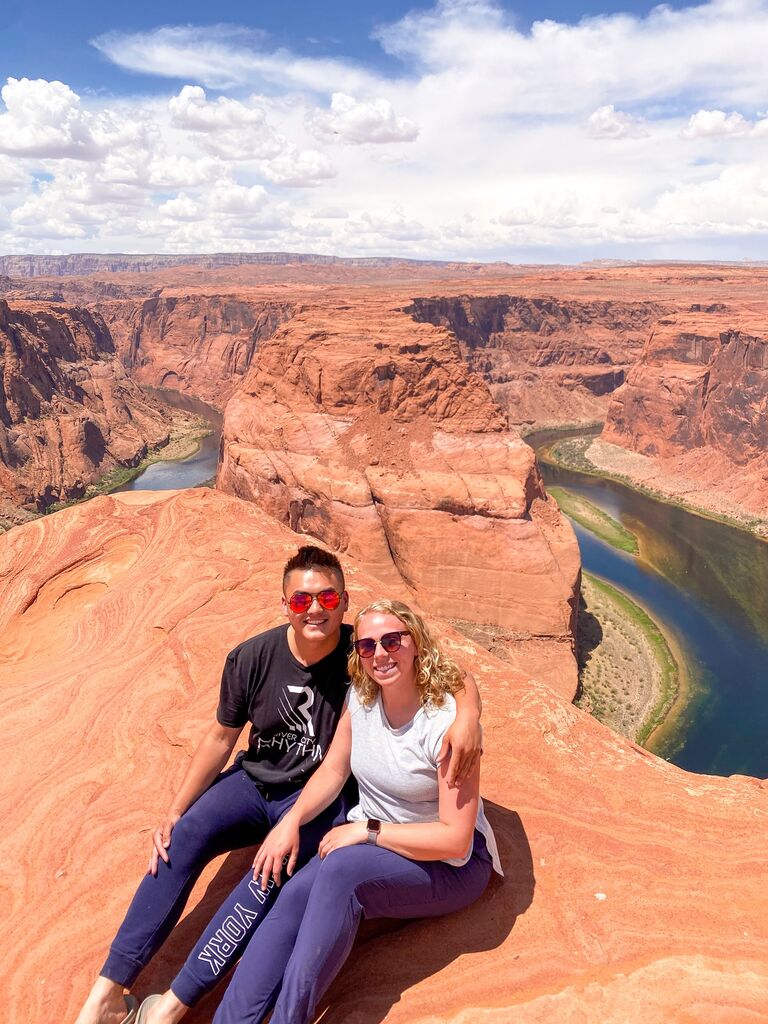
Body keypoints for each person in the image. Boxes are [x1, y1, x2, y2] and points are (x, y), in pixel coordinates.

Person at [76, 549, 483, 1024]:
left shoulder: (365, 651)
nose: (316, 609)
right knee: (181, 837)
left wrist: (469, 715)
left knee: (266, 873)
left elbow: (450, 672)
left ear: (344, 601)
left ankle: (171, 1006)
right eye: (301, 600)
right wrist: (176, 808)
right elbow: (221, 737)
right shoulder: (255, 657)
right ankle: (105, 994)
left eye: (328, 596)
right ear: (284, 604)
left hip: (318, 802)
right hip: (256, 783)